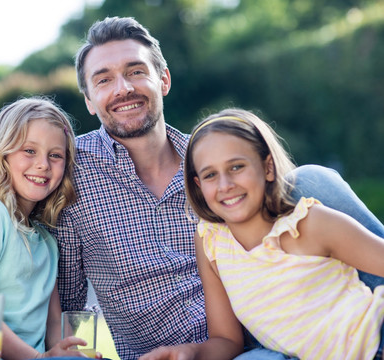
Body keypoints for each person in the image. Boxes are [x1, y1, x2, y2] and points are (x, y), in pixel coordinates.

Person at [52, 16, 384, 359]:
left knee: (311, 180)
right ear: (89, 101)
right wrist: (74, 350)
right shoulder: (69, 173)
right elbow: (67, 296)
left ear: (163, 80)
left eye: (136, 71)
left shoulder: (211, 164)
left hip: (266, 336)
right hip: (178, 354)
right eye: (104, 79)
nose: (123, 88)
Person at [145, 109, 384, 359]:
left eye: (236, 167)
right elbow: (226, 340)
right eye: (210, 175)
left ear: (268, 167)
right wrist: (189, 352)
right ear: (198, 185)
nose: (225, 185)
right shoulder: (211, 242)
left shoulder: (309, 223)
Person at [0, 98, 92, 359]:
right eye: (29, 151)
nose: (43, 164)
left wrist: (69, 354)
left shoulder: (47, 241)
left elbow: (53, 328)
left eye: (55, 155)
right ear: (1, 153)